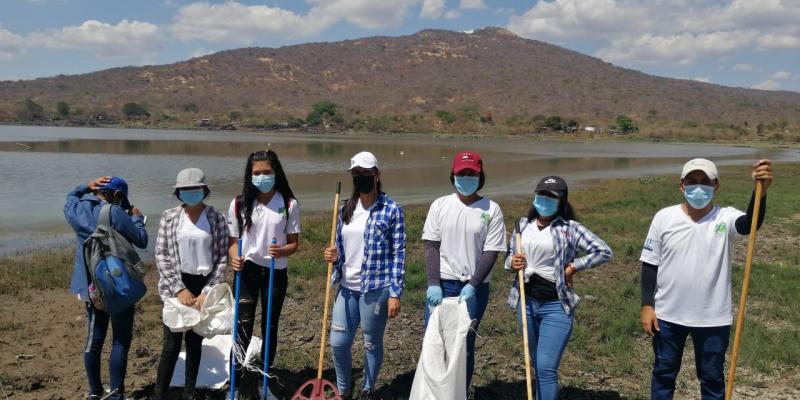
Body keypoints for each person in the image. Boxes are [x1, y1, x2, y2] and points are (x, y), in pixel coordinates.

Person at [640, 159, 773, 400]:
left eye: (705, 182)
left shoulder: (725, 217)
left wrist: (759, 194)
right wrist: (647, 305)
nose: (698, 187)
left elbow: (749, 224)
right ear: (682, 186)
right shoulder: (664, 217)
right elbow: (650, 263)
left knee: (712, 377)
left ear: (716, 185)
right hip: (668, 315)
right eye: (692, 182)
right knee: (663, 372)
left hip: (713, 317)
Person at [505, 176, 613, 400]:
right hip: (526, 303)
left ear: (561, 201)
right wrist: (511, 263)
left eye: (551, 196)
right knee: (534, 362)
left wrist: (573, 266)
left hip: (556, 305)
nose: (545, 200)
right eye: (541, 194)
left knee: (546, 368)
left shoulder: (570, 229)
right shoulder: (522, 225)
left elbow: (603, 251)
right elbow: (509, 258)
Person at [323, 151, 405, 399]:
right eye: (356, 174)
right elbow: (339, 245)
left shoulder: (391, 210)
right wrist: (332, 255)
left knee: (371, 343)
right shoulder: (346, 209)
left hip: (376, 290)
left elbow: (398, 253)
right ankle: (344, 390)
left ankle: (368, 388)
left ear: (376, 175)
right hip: (346, 288)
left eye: (366, 174)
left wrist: (395, 293)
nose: (361, 178)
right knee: (338, 342)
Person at [422, 150, 506, 392]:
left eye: (472, 174)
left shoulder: (492, 209)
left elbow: (491, 252)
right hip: (444, 284)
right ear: (453, 175)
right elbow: (431, 245)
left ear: (480, 177)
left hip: (474, 289)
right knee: (436, 341)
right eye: (462, 173)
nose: (466, 177)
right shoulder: (440, 205)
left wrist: (473, 284)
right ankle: (434, 393)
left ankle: (458, 392)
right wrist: (432, 282)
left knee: (464, 343)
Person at [64, 176, 148, 400]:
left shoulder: (78, 210)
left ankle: (94, 392)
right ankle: (116, 393)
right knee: (120, 340)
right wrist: (138, 219)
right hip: (119, 285)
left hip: (91, 287)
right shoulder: (116, 213)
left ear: (97, 191)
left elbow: (69, 198)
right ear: (119, 195)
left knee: (94, 339)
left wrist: (85, 186)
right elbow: (141, 239)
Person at [227, 150, 301, 398]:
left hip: (275, 271)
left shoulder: (289, 204)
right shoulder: (239, 203)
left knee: (270, 327)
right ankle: (235, 386)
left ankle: (264, 383)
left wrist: (282, 250)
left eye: (266, 172)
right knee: (242, 329)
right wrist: (233, 257)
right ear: (250, 175)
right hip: (247, 271)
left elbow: (294, 243)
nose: (261, 177)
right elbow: (233, 241)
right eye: (256, 173)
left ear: (276, 172)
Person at [153, 168, 229, 400]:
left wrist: (207, 291)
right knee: (171, 343)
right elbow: (161, 254)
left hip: (204, 285)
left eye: (195, 189)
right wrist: (179, 288)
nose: (191, 193)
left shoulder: (216, 218)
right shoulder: (169, 217)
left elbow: (222, 257)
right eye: (185, 190)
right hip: (177, 284)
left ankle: (189, 392)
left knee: (195, 340)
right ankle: (160, 394)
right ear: (178, 193)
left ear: (204, 190)